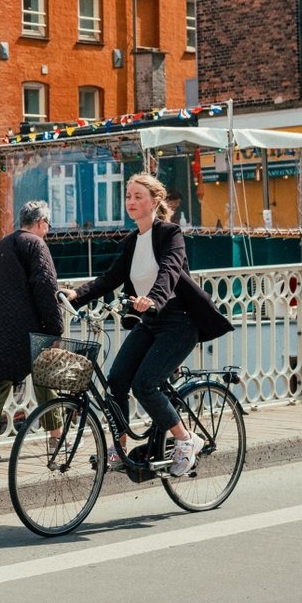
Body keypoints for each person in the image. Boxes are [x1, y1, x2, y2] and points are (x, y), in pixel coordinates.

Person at [69, 172, 202, 476]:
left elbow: (169, 271)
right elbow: (110, 278)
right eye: (128, 196)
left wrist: (153, 298)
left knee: (144, 384)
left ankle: (186, 440)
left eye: (138, 196)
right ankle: (119, 448)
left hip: (179, 322)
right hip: (149, 321)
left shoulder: (170, 233)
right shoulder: (132, 241)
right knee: (117, 379)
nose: (131, 202)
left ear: (155, 201)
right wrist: (77, 294)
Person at [0, 201, 65, 463]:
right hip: (28, 327)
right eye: (48, 224)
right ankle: (57, 438)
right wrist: (56, 328)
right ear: (41, 223)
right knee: (45, 377)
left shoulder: (3, 244)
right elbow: (46, 287)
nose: (47, 230)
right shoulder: (36, 245)